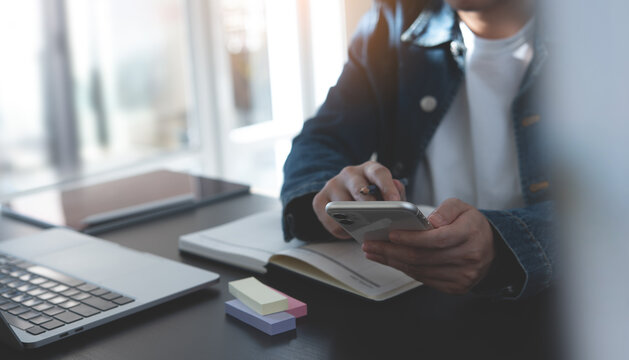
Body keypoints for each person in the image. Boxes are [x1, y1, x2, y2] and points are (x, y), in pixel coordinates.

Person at [281, 0, 554, 300]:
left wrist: (503, 245)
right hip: (408, 300)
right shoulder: (395, 18)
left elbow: (612, 213)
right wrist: (331, 194)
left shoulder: (605, 32)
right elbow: (322, 139)